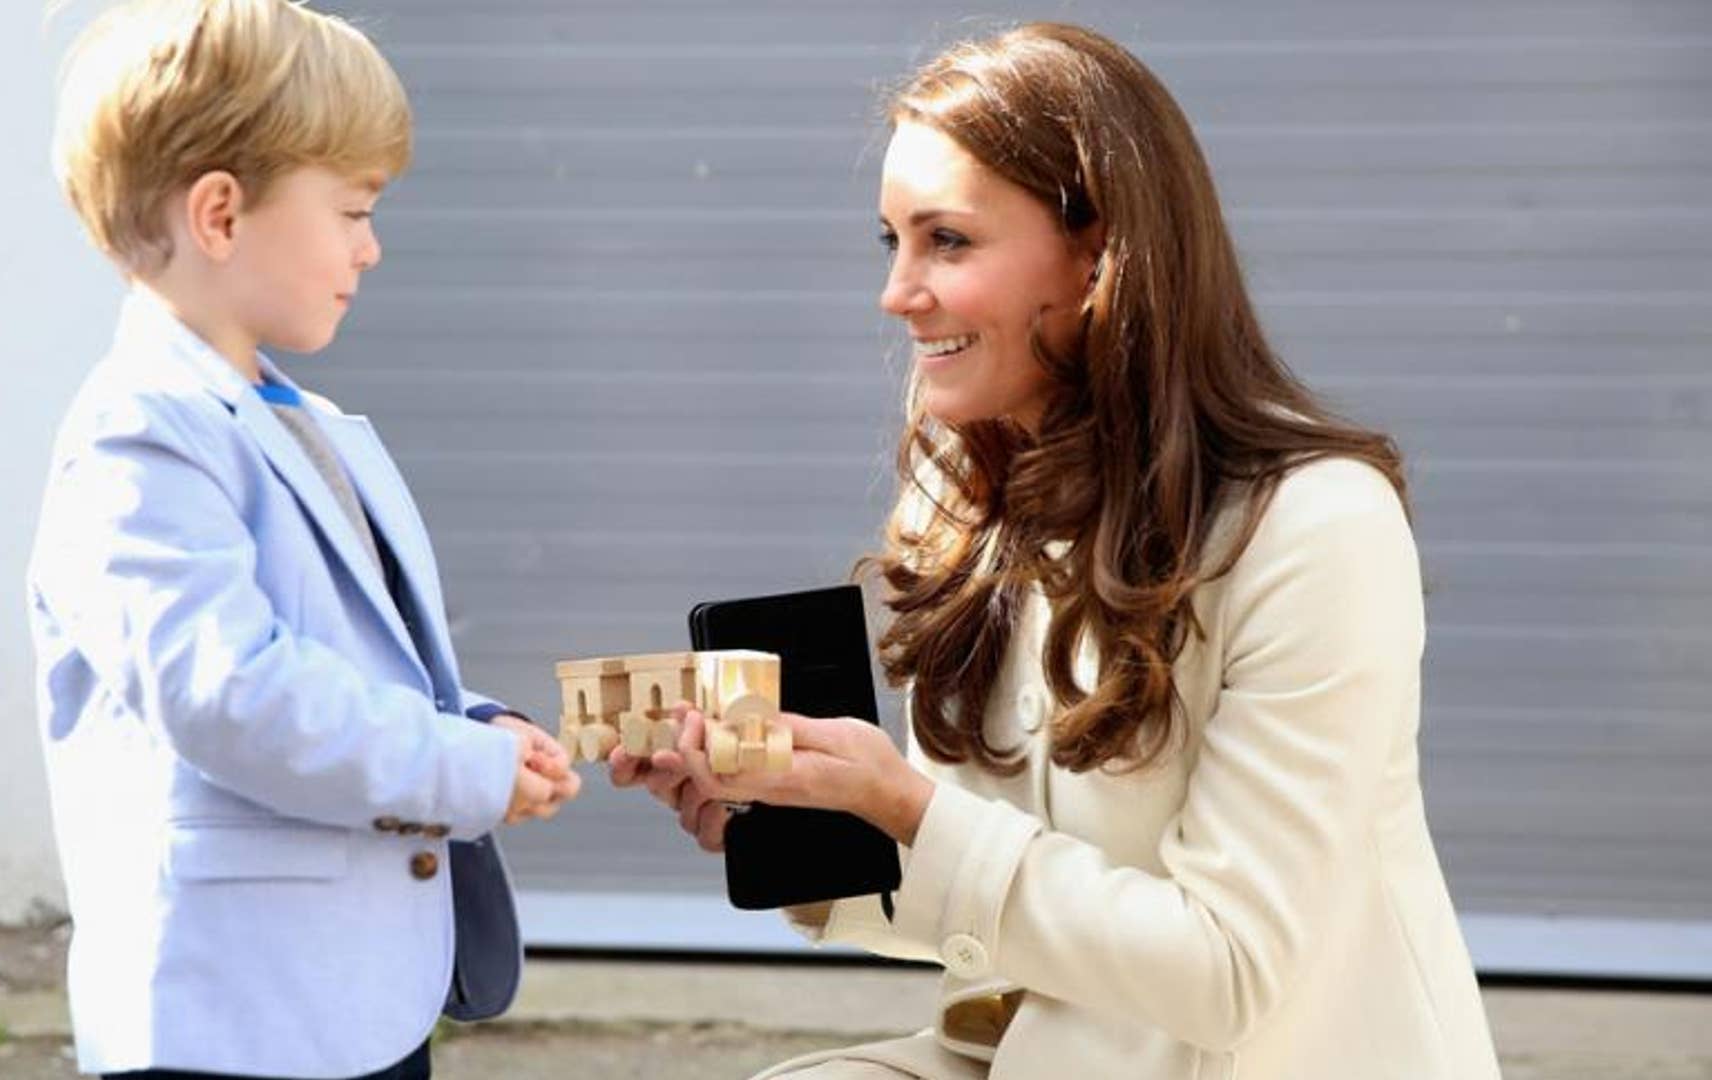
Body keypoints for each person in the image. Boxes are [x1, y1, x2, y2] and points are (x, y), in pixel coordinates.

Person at [613, 22, 1501, 1080]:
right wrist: (809, 831)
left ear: (1097, 252)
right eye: (889, 241)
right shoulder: (979, 500)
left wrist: (904, 804)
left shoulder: (1316, 527)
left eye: (947, 240)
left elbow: (1227, 972)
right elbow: (995, 914)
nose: (897, 292)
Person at [28, 2, 581, 1077]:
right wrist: (457, 768)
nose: (371, 249)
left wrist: (480, 726)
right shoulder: (137, 429)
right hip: (230, 1025)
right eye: (352, 209)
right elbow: (230, 693)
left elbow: (342, 659)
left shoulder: (309, 425)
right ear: (222, 215)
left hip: (352, 1004)